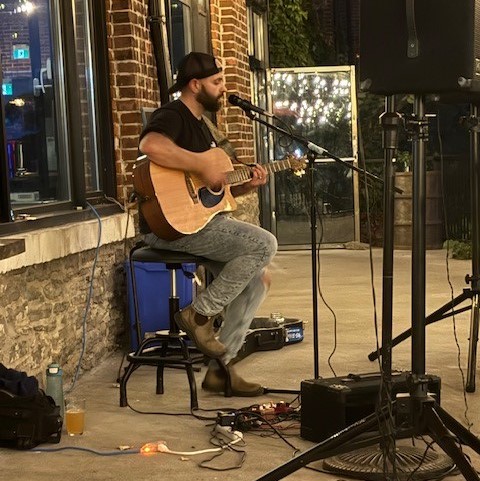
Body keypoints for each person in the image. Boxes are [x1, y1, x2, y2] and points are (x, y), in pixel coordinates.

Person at [138, 52, 278, 397]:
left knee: (258, 280)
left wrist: (245, 184)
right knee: (264, 244)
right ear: (195, 84)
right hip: (169, 227)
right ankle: (199, 315)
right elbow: (150, 146)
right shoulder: (173, 114)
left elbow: (213, 192)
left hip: (197, 222)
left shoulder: (205, 127)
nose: (223, 88)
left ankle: (221, 370)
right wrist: (201, 164)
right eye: (217, 82)